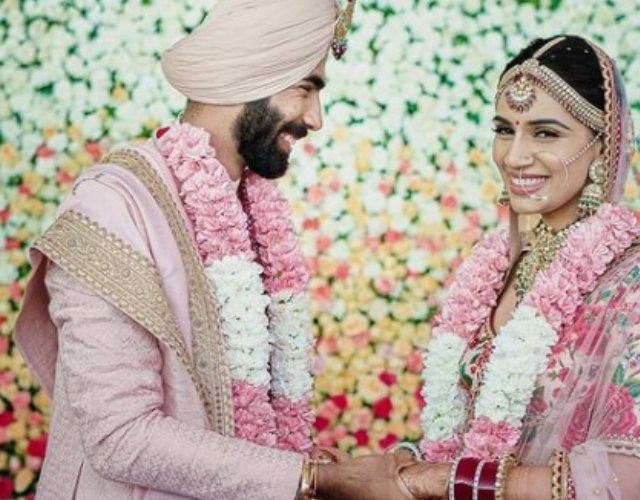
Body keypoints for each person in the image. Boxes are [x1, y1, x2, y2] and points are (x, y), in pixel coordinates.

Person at [13, 0, 411, 498]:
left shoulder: (248, 207)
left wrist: (290, 462)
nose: (316, 119)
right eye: (306, 88)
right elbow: (120, 437)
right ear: (250, 75)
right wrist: (316, 479)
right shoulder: (111, 210)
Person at [383, 35, 640, 500]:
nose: (514, 156)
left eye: (545, 133)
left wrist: (431, 481)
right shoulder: (498, 269)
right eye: (505, 129)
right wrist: (403, 461)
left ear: (602, 145)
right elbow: (467, 433)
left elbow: (627, 481)